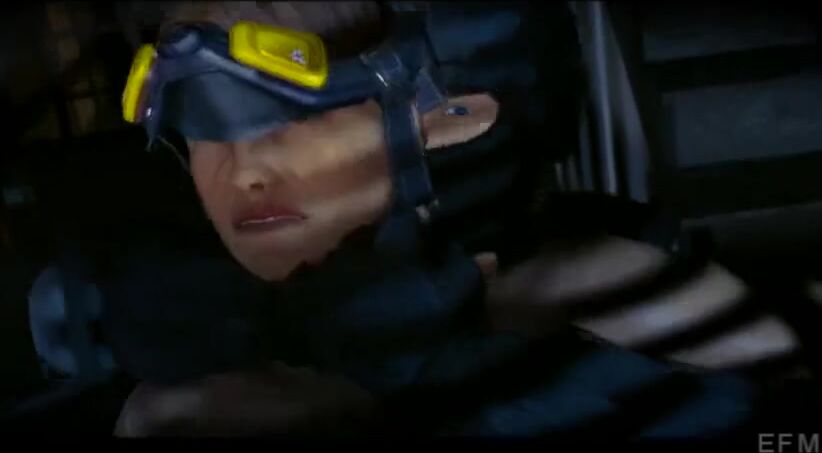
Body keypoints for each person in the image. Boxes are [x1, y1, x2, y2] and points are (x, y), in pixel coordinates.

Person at [105, 1, 820, 437]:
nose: (242, 171)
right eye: (197, 122)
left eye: (292, 114)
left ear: (451, 117)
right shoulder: (188, 372)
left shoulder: (605, 290)